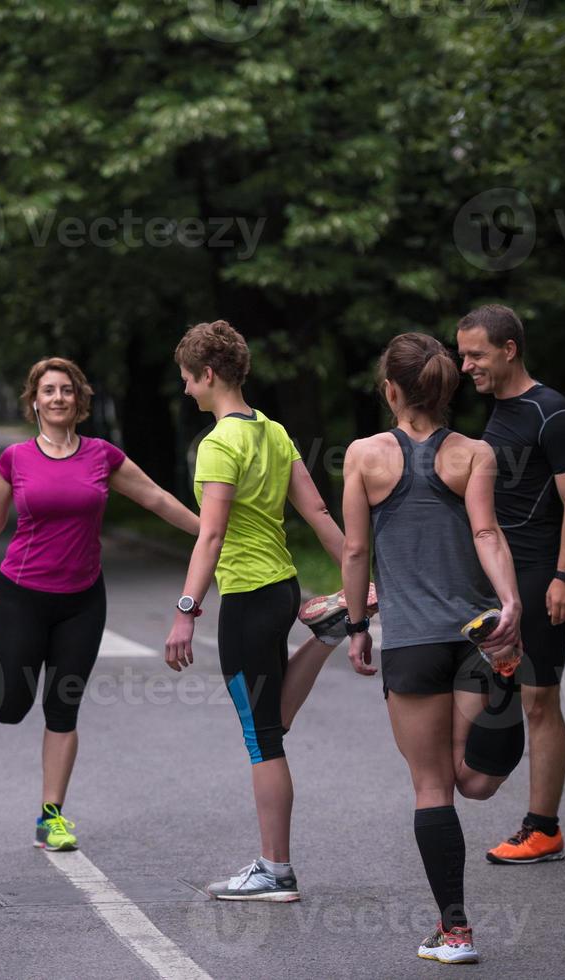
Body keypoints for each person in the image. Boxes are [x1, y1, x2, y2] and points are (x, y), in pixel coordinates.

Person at [0, 357, 200, 851]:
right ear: (34, 401)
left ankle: (52, 816)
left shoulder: (102, 457)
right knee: (8, 708)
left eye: (66, 390)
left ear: (79, 399)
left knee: (62, 708)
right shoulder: (15, 460)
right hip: (22, 597)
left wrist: (211, 533)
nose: (58, 398)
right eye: (48, 390)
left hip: (83, 601)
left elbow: (154, 498)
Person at [340, 331, 526, 964]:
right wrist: (511, 604)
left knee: (432, 787)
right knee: (474, 782)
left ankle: (456, 932)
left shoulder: (364, 456)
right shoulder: (473, 453)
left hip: (413, 642)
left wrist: (358, 627)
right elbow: (486, 531)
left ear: (390, 389)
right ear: (446, 389)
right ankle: (505, 682)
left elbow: (356, 551)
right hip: (474, 634)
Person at [161, 320, 347, 902]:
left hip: (245, 598)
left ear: (209, 374)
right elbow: (317, 510)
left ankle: (276, 870)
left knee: (262, 738)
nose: (187, 391)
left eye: (189, 380)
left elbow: (210, 536)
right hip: (285, 588)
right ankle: (324, 633)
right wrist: (357, 581)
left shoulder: (218, 445)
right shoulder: (272, 432)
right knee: (271, 721)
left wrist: (186, 610)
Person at [456, 304, 565, 865]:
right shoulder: (499, 410)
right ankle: (478, 775)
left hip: (541, 575)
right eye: (462, 354)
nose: (466, 365)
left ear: (509, 349)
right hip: (503, 576)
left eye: (476, 354)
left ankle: (543, 828)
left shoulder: (551, 413)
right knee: (498, 689)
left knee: (541, 701)